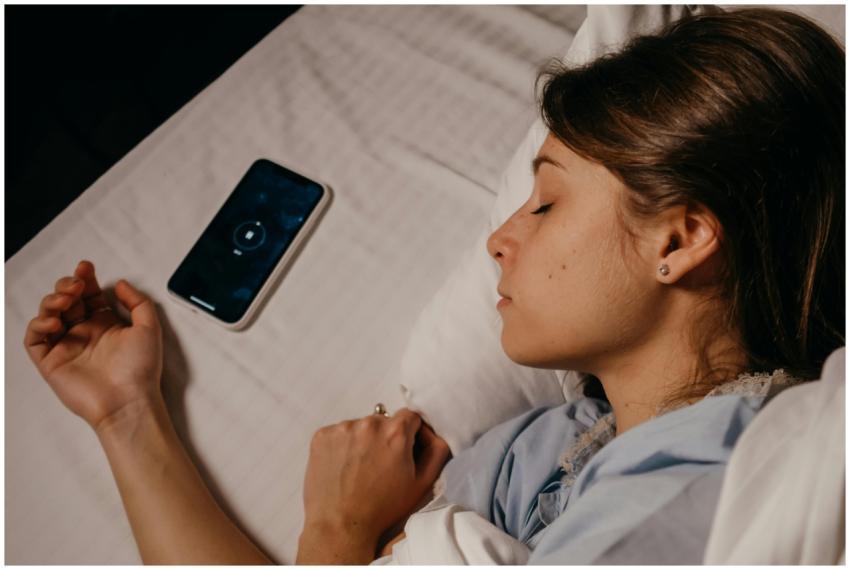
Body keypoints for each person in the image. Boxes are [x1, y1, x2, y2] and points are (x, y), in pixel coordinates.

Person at [23, 6, 844, 566]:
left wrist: (339, 527)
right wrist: (126, 413)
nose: (500, 238)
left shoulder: (713, 488)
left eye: (549, 201)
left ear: (681, 237)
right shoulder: (548, 449)